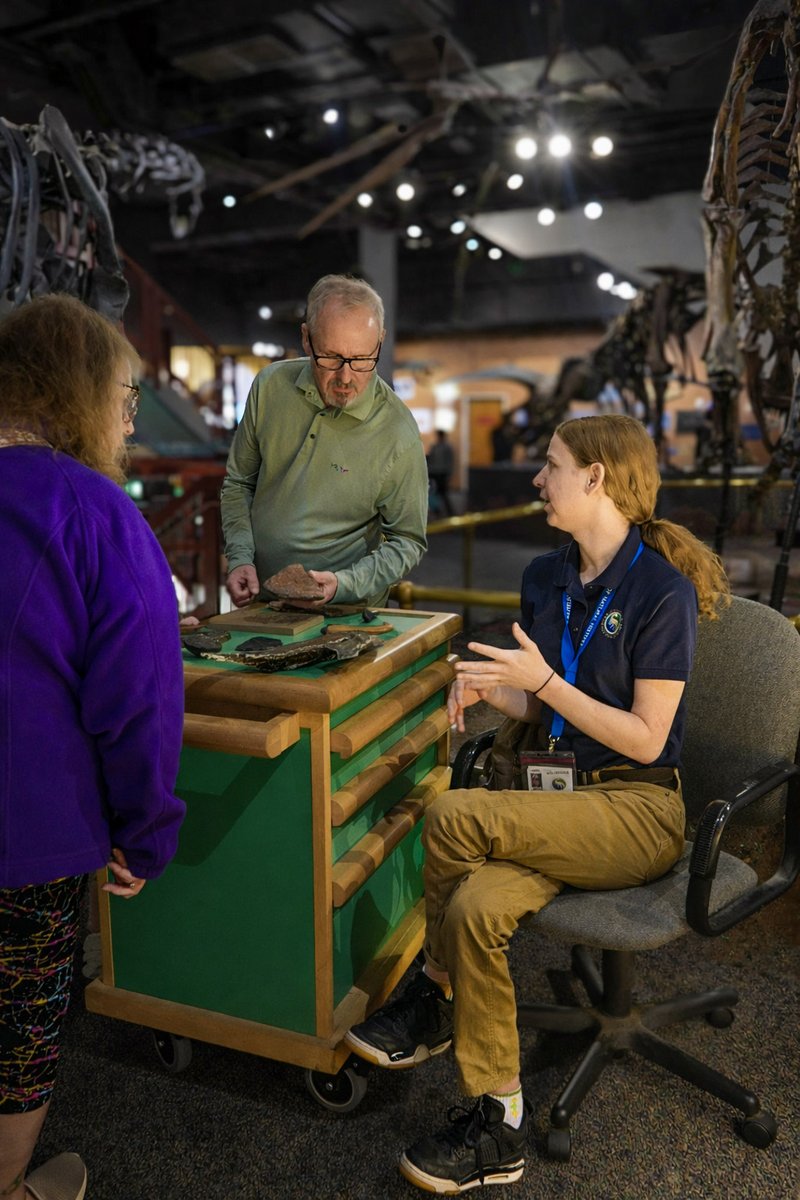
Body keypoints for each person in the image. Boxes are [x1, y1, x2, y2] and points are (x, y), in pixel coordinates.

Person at [345, 413, 729, 1193]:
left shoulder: (662, 592)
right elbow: (547, 709)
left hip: (636, 809)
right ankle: (501, 1120)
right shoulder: (545, 575)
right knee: (472, 909)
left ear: (595, 477)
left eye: (551, 465)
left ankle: (434, 991)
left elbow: (647, 740)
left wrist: (545, 682)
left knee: (451, 813)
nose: (537, 479)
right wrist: (500, 690)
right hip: (553, 800)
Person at [0, 294, 186, 1200]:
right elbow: (139, 697)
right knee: (19, 1017)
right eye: (123, 398)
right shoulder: (95, 511)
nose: (129, 421)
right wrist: (145, 832)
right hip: (28, 829)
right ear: (76, 394)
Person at [220, 274, 428, 609]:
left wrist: (344, 584)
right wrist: (240, 556)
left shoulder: (397, 431)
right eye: (331, 357)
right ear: (306, 338)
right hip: (262, 602)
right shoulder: (269, 386)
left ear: (380, 342)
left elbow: (408, 541)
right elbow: (239, 482)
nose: (346, 378)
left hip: (347, 611)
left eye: (362, 360)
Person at [426, 428, 455, 516]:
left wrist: (449, 473)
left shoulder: (446, 447)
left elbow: (450, 461)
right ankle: (437, 510)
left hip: (442, 473)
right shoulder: (435, 446)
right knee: (434, 493)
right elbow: (431, 459)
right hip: (434, 472)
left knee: (443, 493)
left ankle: (448, 511)